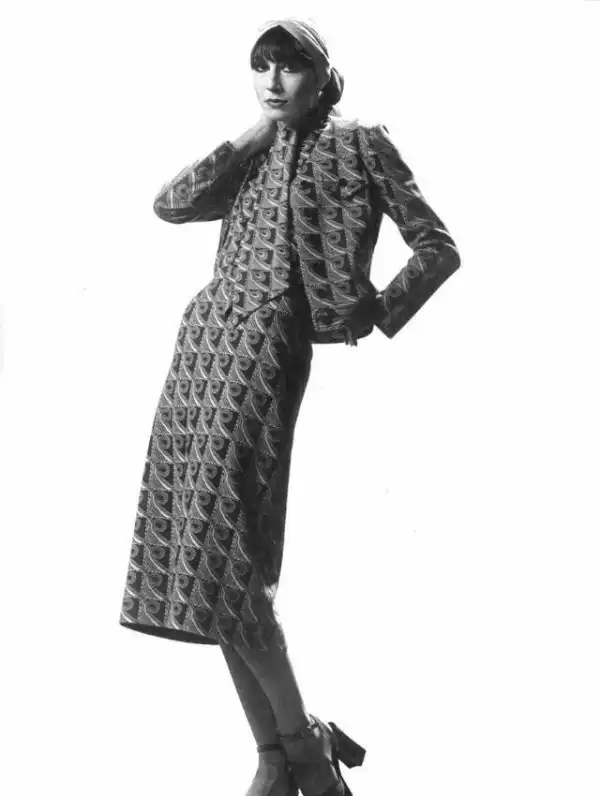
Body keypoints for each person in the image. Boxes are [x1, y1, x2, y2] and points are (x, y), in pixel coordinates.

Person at [119, 16, 460, 796]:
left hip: (269, 346)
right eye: (261, 64)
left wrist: (370, 312)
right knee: (208, 561)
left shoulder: (360, 142)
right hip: (203, 343)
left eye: (290, 64)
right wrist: (246, 139)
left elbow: (437, 246)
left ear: (321, 74)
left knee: (232, 553)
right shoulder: (254, 148)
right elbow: (170, 204)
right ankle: (278, 756)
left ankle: (302, 750)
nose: (273, 80)